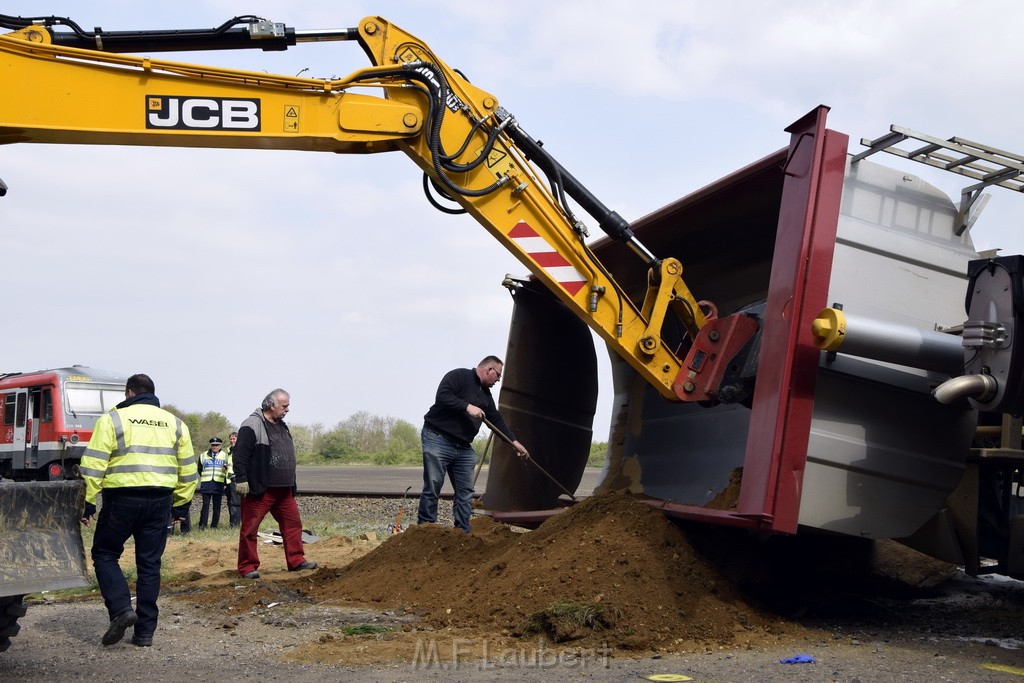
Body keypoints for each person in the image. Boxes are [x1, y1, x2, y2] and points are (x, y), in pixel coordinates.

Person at [79, 373, 197, 647]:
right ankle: (144, 633)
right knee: (149, 564)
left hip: (122, 500)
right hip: (160, 502)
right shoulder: (176, 424)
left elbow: (94, 463)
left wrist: (87, 501)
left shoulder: (113, 419)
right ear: (152, 394)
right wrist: (181, 504)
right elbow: (189, 470)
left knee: (105, 554)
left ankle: (121, 610)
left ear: (129, 393)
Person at [418, 356, 528, 532]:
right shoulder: (459, 376)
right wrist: (467, 406)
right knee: (433, 484)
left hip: (463, 447)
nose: (498, 380)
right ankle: (425, 529)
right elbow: (442, 396)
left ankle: (462, 531)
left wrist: (514, 442)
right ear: (489, 369)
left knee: (466, 492)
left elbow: (496, 420)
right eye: (498, 375)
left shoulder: (485, 395)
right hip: (438, 438)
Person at [233, 388, 317, 579]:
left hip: (284, 490)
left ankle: (296, 561)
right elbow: (240, 455)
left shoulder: (282, 426)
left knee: (293, 524)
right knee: (250, 529)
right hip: (261, 490)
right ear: (272, 405)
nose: (287, 409)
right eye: (284, 406)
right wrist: (241, 479)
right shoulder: (252, 424)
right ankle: (247, 567)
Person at [197, 436, 229, 529]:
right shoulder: (203, 455)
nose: (215, 447)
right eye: (213, 445)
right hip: (206, 483)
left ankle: (214, 525)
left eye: (217, 445)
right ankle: (202, 525)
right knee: (205, 505)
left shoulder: (225, 456)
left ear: (220, 446)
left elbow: (228, 469)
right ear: (211, 446)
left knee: (217, 505)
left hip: (218, 483)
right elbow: (199, 469)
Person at [225, 431, 241, 528]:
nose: (232, 441)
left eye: (234, 438)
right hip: (228, 480)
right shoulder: (227, 451)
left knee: (235, 503)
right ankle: (232, 523)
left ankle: (235, 525)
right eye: (230, 439)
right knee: (230, 502)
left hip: (237, 479)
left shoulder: (240, 449)